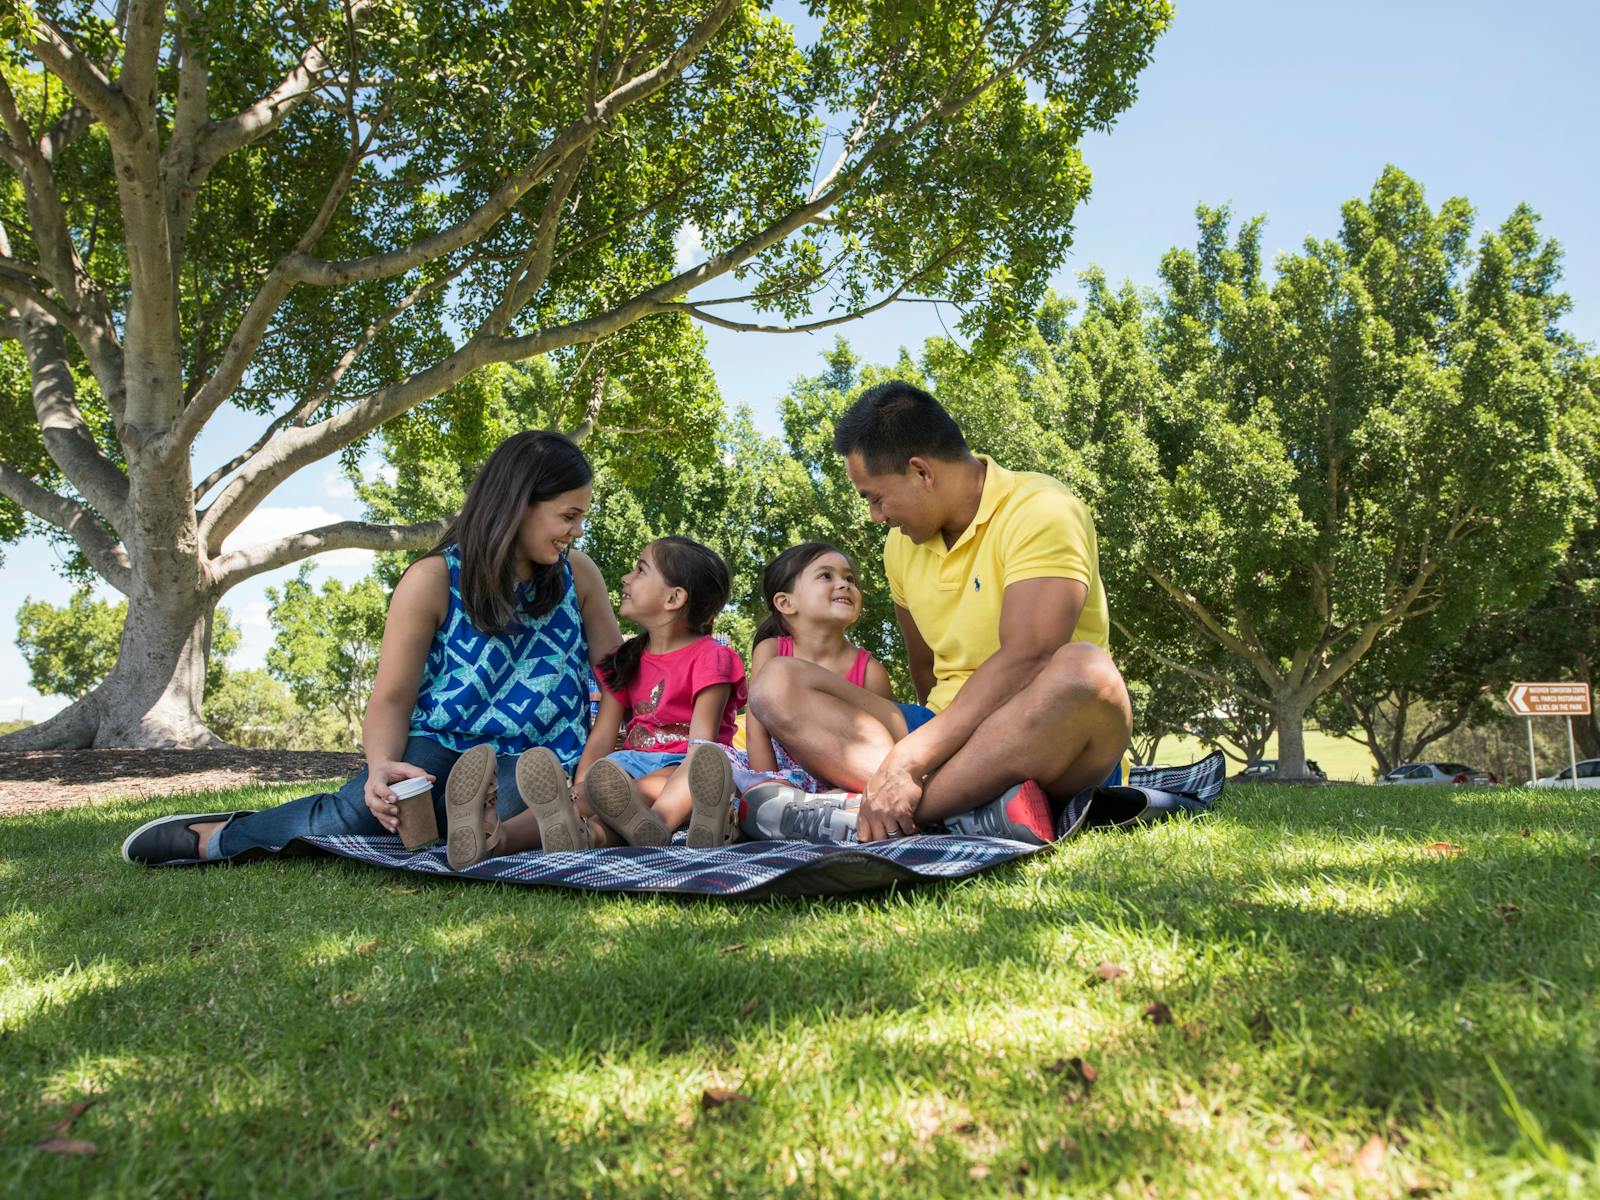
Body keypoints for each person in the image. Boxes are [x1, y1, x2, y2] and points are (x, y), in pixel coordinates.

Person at [121, 431, 623, 869]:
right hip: (439, 743)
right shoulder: (431, 579)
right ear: (519, 504)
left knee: (507, 811)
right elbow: (392, 698)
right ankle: (217, 838)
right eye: (569, 515)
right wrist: (381, 767)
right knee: (362, 815)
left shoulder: (579, 575)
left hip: (538, 754)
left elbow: (617, 677)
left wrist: (590, 764)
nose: (577, 530)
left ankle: (457, 829)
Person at [745, 381, 1132, 845]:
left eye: (875, 497)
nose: (875, 515)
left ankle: (881, 814)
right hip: (944, 736)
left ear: (921, 473)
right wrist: (919, 751)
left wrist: (909, 762)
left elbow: (1031, 656)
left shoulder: (1043, 509)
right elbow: (924, 669)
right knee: (776, 681)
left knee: (1085, 669)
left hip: (1045, 732)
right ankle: (964, 810)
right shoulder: (900, 548)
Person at [522, 536, 746, 850]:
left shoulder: (712, 657)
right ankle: (498, 837)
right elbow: (601, 738)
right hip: (632, 763)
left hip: (691, 766)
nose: (626, 578)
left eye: (641, 570)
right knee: (585, 796)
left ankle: (655, 825)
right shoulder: (625, 660)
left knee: (644, 790)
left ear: (674, 598)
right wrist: (585, 783)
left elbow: (701, 744)